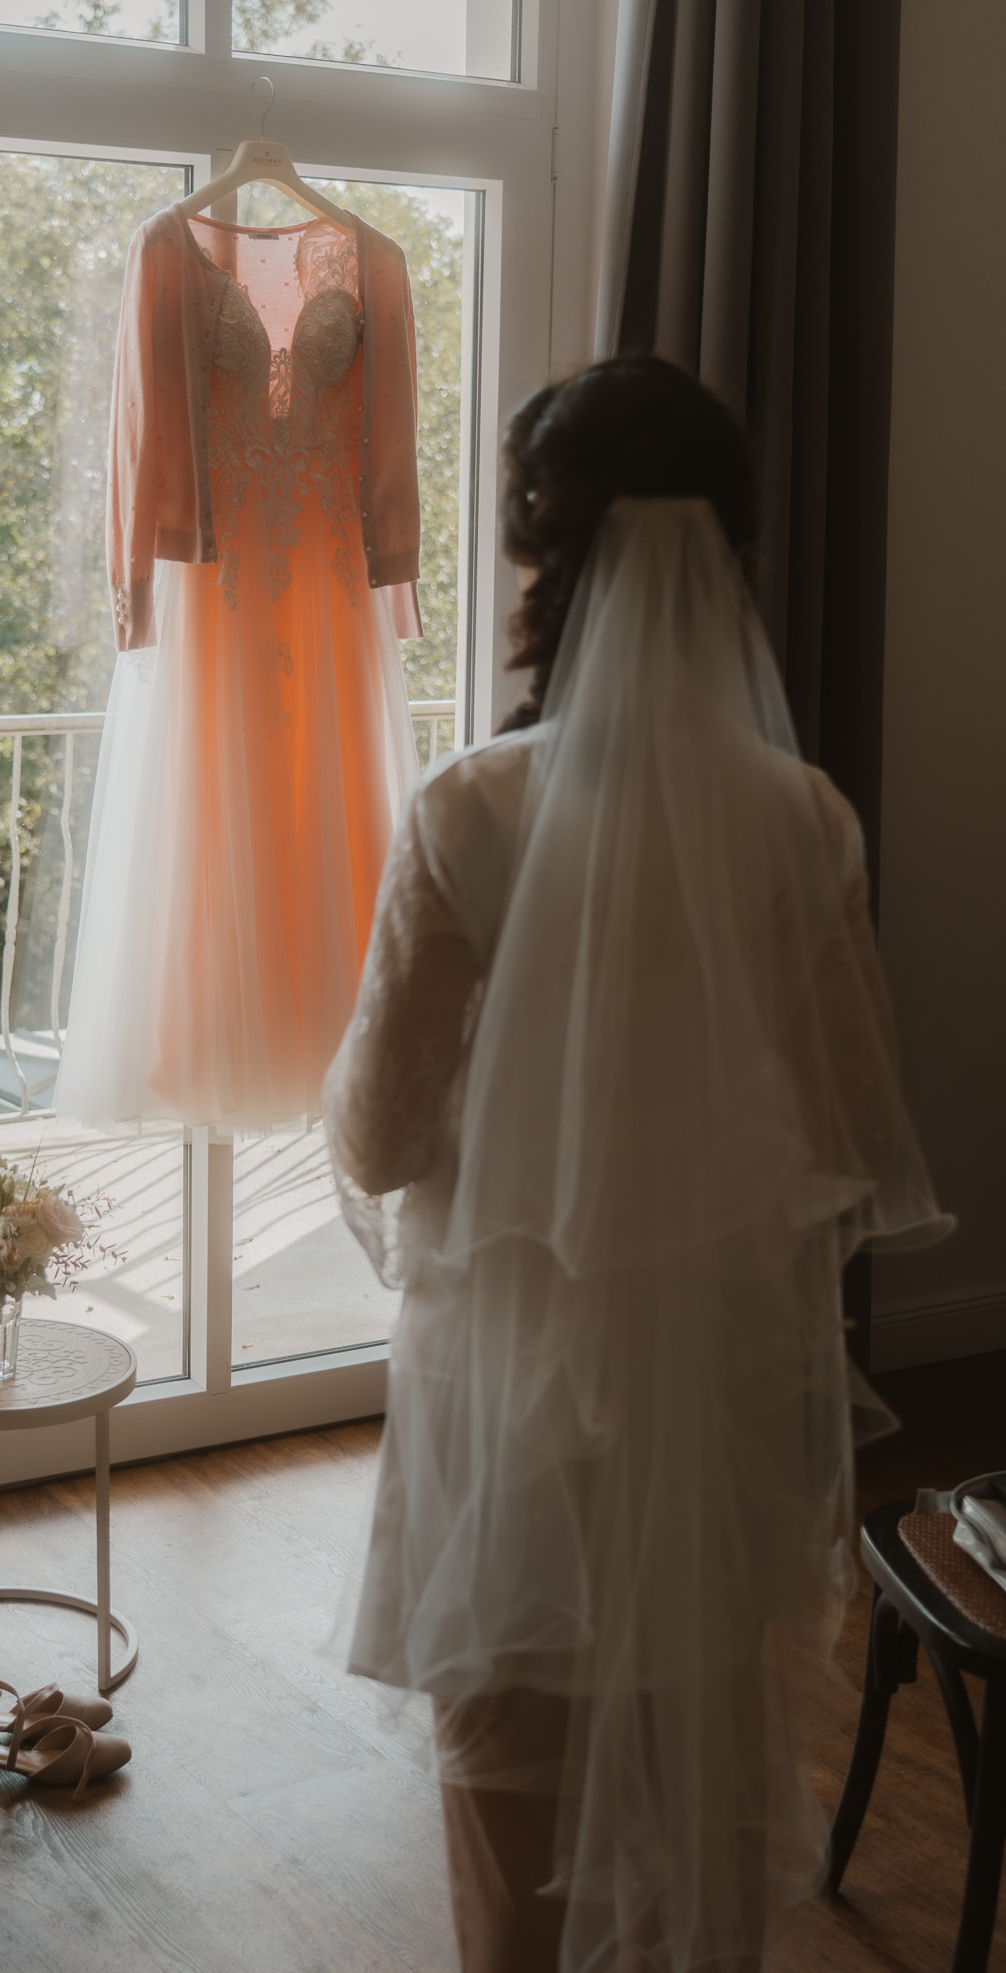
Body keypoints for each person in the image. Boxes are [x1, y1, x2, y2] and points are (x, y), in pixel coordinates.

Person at [322, 357, 950, 1973]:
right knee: (703, 1769)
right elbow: (839, 1128)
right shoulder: (805, 820)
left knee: (507, 1774)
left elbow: (382, 1136)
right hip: (720, 1384)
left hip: (513, 1385)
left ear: (547, 562)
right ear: (728, 557)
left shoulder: (468, 812)